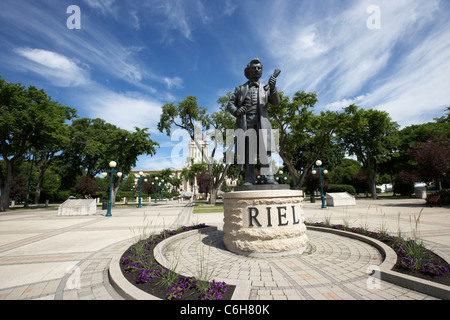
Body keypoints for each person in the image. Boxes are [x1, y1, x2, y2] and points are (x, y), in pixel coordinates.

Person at [226, 58, 280, 185]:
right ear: (248, 71)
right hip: (245, 123)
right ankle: (249, 178)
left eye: (259, 68)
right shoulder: (240, 89)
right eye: (254, 68)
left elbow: (276, 103)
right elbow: (230, 105)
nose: (257, 70)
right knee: (248, 152)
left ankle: (268, 177)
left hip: (262, 123)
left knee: (264, 149)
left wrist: (273, 88)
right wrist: (237, 110)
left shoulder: (266, 88)